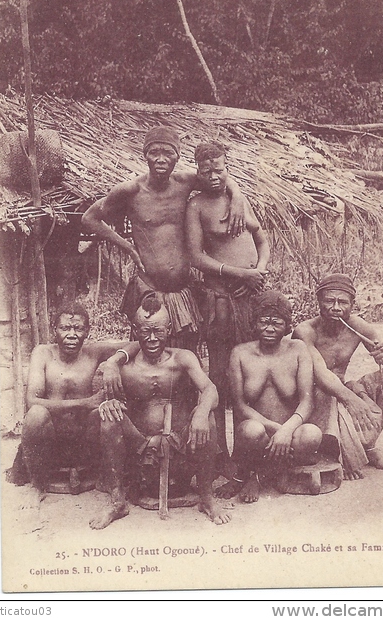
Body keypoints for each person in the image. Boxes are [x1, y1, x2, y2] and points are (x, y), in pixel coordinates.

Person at [81, 126, 246, 352]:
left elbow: (218, 177)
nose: (161, 159)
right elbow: (89, 218)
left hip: (184, 291)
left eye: (168, 153)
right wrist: (127, 246)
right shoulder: (130, 190)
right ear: (145, 155)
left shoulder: (186, 182)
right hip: (150, 287)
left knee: (186, 358)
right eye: (154, 152)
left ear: (177, 156)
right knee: (148, 354)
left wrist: (237, 197)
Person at [89, 294, 231, 529]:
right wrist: (110, 379)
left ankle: (207, 498)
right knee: (110, 418)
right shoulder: (125, 366)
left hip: (181, 445)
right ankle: (117, 502)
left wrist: (200, 412)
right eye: (145, 332)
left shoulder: (183, 359)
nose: (153, 338)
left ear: (169, 328)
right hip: (141, 449)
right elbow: (101, 400)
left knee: (208, 415)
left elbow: (210, 389)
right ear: (135, 331)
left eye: (158, 331)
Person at [185, 141, 270, 464]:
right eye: (206, 171)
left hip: (252, 296)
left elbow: (262, 238)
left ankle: (252, 453)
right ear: (197, 171)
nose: (213, 176)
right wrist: (237, 273)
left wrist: (259, 269)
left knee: (252, 374)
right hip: (222, 299)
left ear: (227, 167)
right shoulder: (196, 207)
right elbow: (195, 256)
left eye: (219, 169)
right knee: (221, 376)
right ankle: (221, 456)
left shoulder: (239, 199)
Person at [9, 303, 134, 503]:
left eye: (78, 328)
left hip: (84, 439)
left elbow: (135, 344)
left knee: (107, 413)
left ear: (87, 332)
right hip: (52, 439)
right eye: (65, 328)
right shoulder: (43, 353)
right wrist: (85, 403)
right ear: (54, 330)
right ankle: (38, 484)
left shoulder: (93, 352)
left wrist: (113, 362)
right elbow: (32, 401)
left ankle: (109, 481)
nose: (72, 334)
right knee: (36, 415)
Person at [292, 273, 383, 480]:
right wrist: (353, 399)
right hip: (315, 394)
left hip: (341, 389)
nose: (336, 307)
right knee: (327, 389)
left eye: (342, 302)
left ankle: (368, 446)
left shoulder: (358, 326)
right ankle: (342, 455)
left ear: (352, 304)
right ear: (318, 301)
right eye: (329, 301)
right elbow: (320, 375)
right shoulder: (305, 331)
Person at [215, 290, 321, 503]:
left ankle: (260, 476)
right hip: (259, 434)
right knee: (250, 430)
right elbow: (239, 405)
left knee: (312, 434)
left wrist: (287, 430)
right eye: (264, 322)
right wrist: (277, 430)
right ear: (254, 323)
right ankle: (266, 472)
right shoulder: (240, 353)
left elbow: (307, 401)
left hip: (290, 434)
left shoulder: (298, 349)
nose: (269, 329)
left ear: (287, 325)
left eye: (277, 323)